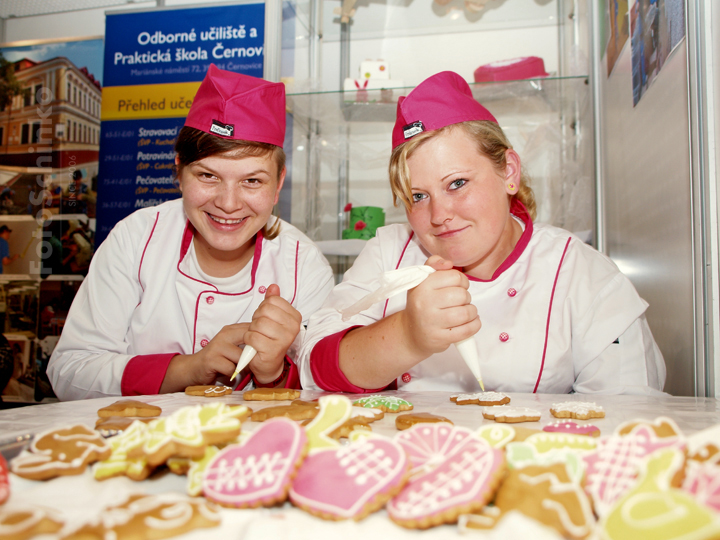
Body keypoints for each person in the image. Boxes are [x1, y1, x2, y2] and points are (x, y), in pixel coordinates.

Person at [299, 71, 666, 395]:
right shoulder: (390, 250)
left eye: (457, 183)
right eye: (418, 196)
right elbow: (313, 366)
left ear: (508, 172)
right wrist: (407, 336)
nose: (440, 215)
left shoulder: (581, 274)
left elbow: (630, 415)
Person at [48, 65, 334, 401]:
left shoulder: (303, 263)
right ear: (180, 171)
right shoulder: (136, 239)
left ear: (278, 184)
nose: (228, 204)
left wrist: (274, 373)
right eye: (208, 176)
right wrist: (190, 368)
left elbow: (323, 394)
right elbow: (68, 372)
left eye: (252, 181)